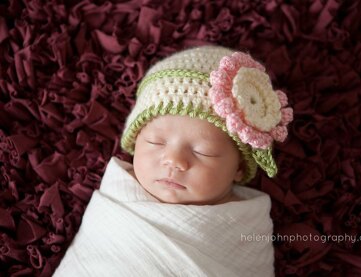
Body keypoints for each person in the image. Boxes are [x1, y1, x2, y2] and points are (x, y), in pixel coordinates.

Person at [53, 45, 293, 276]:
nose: (174, 160)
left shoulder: (247, 227)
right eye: (156, 142)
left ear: (239, 168)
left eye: (203, 152)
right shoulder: (116, 199)